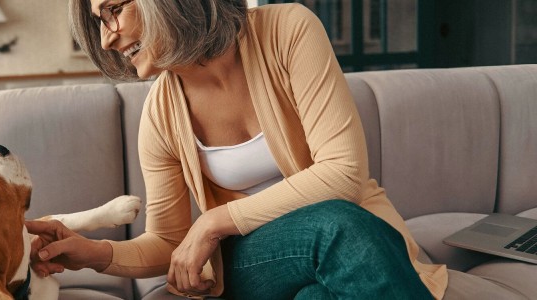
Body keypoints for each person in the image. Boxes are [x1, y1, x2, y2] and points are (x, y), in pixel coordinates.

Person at [25, 0, 449, 299]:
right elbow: (169, 242)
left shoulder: (288, 30)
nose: (106, 40)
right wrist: (95, 254)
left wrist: (213, 221)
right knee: (337, 226)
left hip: (351, 234)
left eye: (115, 10)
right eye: (100, 20)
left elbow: (343, 174)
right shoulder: (160, 115)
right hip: (254, 262)